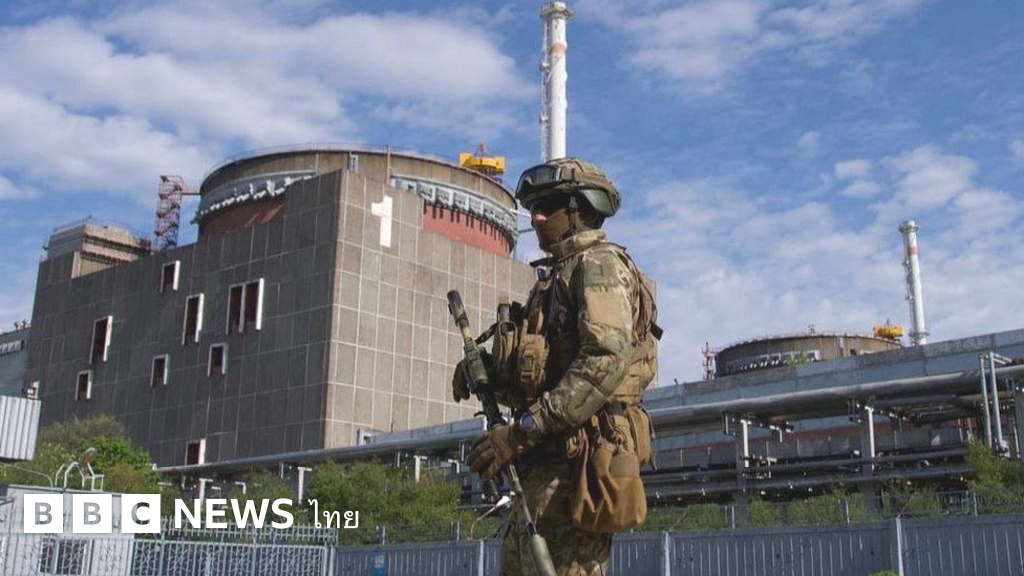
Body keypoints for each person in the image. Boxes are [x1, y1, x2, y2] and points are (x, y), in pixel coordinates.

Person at [452, 157, 660, 575]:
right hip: (542, 471)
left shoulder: (598, 266)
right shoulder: (554, 280)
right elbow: (546, 378)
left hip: (576, 470)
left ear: (582, 209)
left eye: (548, 206)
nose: (536, 217)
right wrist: (489, 373)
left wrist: (521, 431)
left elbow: (605, 360)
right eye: (533, 208)